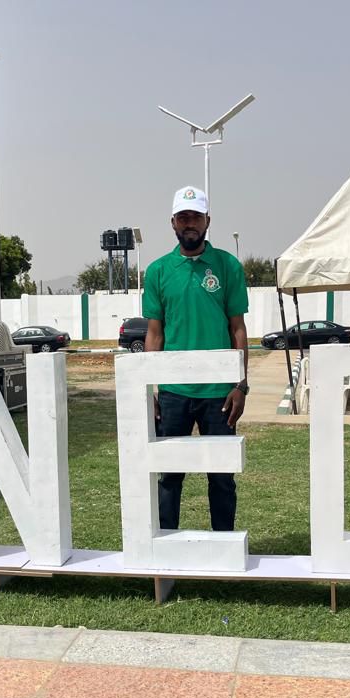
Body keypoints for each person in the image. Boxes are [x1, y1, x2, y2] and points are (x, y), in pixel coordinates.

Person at [143, 186, 249, 531]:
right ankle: (165, 546)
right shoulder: (158, 271)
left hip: (219, 394)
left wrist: (240, 385)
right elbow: (155, 334)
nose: (190, 223)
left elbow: (238, 328)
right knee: (169, 476)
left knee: (221, 478)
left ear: (207, 221)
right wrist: (150, 390)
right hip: (174, 393)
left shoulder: (227, 266)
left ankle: (223, 547)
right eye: (183, 217)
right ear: (173, 222)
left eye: (196, 217)